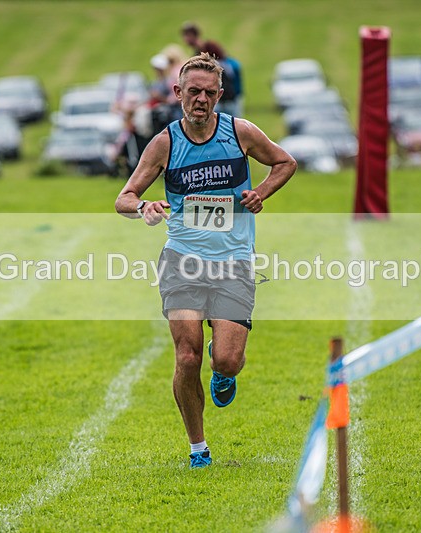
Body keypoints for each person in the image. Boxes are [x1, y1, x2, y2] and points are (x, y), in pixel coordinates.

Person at [115, 53, 296, 469]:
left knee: (227, 361)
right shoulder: (165, 143)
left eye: (208, 93)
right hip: (183, 261)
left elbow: (285, 162)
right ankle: (198, 449)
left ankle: (224, 366)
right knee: (187, 355)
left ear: (220, 95)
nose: (200, 99)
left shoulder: (241, 132)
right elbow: (122, 198)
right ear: (177, 93)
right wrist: (143, 207)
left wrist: (260, 192)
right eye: (192, 91)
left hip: (233, 262)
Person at [180, 22, 244, 117]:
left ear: (192, 35)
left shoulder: (207, 48)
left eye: (185, 36)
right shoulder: (201, 49)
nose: (184, 40)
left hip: (225, 98)